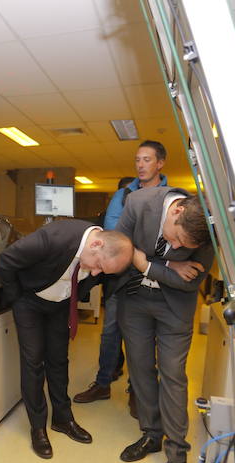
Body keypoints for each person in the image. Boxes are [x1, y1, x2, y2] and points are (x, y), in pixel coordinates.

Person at [0, 221, 133, 459]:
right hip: (30, 301)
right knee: (33, 362)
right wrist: (15, 299)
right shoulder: (53, 238)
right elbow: (7, 260)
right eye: (99, 265)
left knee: (59, 361)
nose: (96, 274)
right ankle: (37, 427)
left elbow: (98, 275)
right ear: (96, 243)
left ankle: (62, 418)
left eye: (103, 272)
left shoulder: (101, 258)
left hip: (61, 304)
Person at [113, 186, 213, 463]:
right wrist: (167, 265)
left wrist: (146, 263)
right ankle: (151, 434)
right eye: (177, 237)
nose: (177, 246)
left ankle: (177, 457)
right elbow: (119, 250)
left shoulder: (208, 226)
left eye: (184, 246)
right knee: (140, 368)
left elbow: (190, 281)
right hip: (134, 300)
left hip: (175, 308)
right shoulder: (139, 202)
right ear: (177, 210)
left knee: (173, 376)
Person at [73, 141, 170, 410]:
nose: (140, 165)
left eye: (147, 160)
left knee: (144, 335)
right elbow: (114, 236)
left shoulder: (170, 196)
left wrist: (139, 242)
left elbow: (169, 237)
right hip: (120, 276)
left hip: (152, 278)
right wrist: (146, 243)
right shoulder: (122, 195)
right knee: (111, 331)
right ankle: (103, 383)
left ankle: (137, 391)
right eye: (137, 159)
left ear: (160, 163)